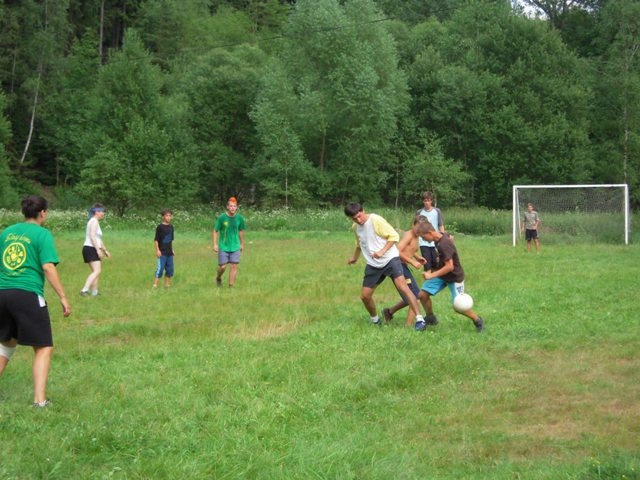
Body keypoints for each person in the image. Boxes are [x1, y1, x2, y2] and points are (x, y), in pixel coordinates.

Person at [0, 195, 72, 407]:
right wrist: (63, 297)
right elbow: (48, 267)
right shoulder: (42, 234)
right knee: (43, 347)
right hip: (27, 294)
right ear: (43, 213)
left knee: (6, 345)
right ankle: (40, 402)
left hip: (2, 294)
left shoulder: (7, 232)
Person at [344, 203, 428, 331]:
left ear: (363, 210)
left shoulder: (376, 220)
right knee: (365, 296)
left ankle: (420, 320)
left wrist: (382, 251)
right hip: (373, 264)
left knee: (403, 286)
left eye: (359, 216)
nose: (358, 220)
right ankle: (375, 320)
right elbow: (359, 244)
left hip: (390, 259)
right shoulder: (356, 227)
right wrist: (354, 258)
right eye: (354, 219)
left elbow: (394, 236)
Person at [417, 222, 484, 332]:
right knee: (422, 295)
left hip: (454, 277)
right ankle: (430, 318)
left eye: (423, 237)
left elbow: (449, 267)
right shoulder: (439, 238)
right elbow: (449, 236)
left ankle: (477, 320)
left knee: (459, 306)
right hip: (442, 275)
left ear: (430, 232)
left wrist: (431, 275)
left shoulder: (444, 244)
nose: (423, 240)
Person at [382, 215, 437, 327]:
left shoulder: (417, 236)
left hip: (403, 266)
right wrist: (412, 262)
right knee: (416, 296)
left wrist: (417, 257)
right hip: (399, 266)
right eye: (418, 227)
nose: (420, 230)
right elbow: (397, 251)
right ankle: (408, 326)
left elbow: (410, 249)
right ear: (413, 225)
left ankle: (389, 312)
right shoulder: (409, 235)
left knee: (409, 296)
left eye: (422, 228)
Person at [213, 197, 246, 288]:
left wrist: (242, 244)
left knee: (234, 266)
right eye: (231, 206)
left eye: (234, 206)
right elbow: (215, 231)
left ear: (236, 207)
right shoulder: (222, 218)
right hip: (224, 246)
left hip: (235, 246)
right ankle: (218, 277)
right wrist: (215, 244)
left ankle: (231, 287)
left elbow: (241, 231)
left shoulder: (239, 218)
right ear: (227, 207)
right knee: (223, 267)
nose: (232, 208)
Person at [80, 203, 110, 296]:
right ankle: (84, 290)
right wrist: (98, 250)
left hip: (90, 248)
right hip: (91, 248)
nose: (103, 213)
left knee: (96, 271)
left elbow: (98, 239)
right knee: (97, 271)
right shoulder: (94, 221)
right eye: (102, 211)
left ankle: (94, 292)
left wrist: (105, 250)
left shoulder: (94, 221)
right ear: (96, 212)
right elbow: (92, 236)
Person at [416, 191, 447, 271]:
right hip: (423, 241)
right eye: (425, 201)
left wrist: (443, 238)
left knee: (436, 262)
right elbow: (416, 227)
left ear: (431, 201)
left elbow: (441, 225)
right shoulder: (419, 212)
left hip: (435, 240)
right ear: (423, 201)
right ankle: (428, 275)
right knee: (427, 263)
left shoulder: (437, 211)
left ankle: (435, 276)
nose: (427, 203)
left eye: (428, 200)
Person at [153, 209, 175, 289]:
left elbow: (170, 240)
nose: (168, 217)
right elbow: (156, 240)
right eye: (166, 216)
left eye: (170, 216)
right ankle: (155, 286)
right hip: (162, 253)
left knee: (170, 269)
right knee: (160, 269)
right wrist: (157, 250)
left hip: (169, 253)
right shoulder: (160, 227)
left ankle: (167, 286)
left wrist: (172, 250)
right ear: (163, 217)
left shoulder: (171, 227)